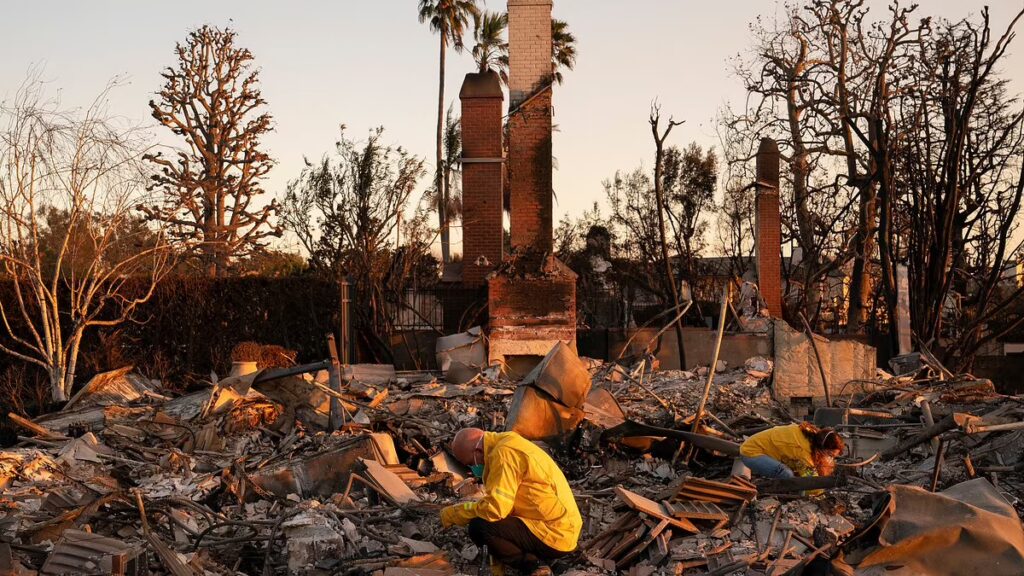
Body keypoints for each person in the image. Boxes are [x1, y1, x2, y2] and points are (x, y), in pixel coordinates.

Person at [440, 428, 581, 576]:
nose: (473, 468)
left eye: (471, 463)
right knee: (491, 523)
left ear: (478, 451)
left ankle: (533, 566)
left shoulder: (503, 455)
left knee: (479, 527)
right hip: (562, 527)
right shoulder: (508, 442)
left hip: (555, 534)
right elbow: (505, 504)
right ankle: (543, 559)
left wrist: (458, 513)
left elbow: (496, 509)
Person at [739, 422, 845, 479]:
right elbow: (810, 479)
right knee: (786, 474)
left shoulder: (813, 433)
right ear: (822, 448)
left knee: (796, 470)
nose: (830, 458)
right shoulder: (802, 450)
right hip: (751, 453)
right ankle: (779, 495)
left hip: (760, 447)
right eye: (830, 454)